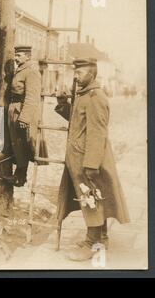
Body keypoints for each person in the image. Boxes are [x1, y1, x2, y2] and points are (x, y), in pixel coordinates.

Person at [55, 58, 130, 261]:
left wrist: (90, 165)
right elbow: (77, 121)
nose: (76, 76)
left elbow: (97, 133)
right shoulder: (84, 93)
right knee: (96, 198)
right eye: (75, 72)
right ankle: (102, 238)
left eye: (80, 72)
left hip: (88, 158)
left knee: (91, 200)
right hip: (82, 156)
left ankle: (92, 243)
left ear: (92, 73)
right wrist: (63, 104)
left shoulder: (95, 96)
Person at [1, 45, 48, 187]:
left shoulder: (31, 72)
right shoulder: (19, 70)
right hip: (14, 109)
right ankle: (19, 175)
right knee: (16, 143)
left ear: (28, 56)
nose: (16, 58)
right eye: (16, 55)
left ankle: (20, 176)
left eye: (19, 55)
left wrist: (25, 117)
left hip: (22, 110)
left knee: (23, 143)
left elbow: (32, 97)